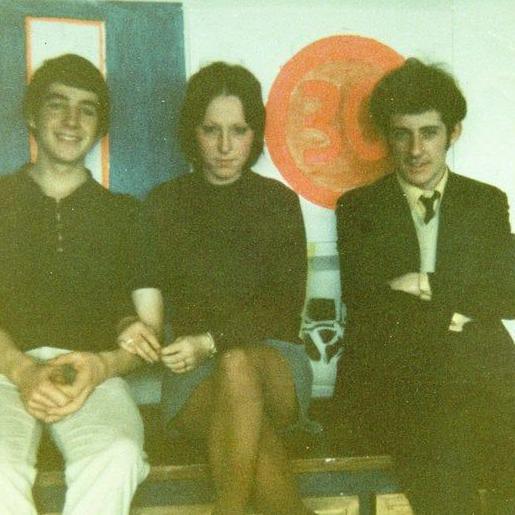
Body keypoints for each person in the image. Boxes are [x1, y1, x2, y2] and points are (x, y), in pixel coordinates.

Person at [124, 62, 315, 515]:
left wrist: (210, 342)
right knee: (246, 422)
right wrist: (139, 327)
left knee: (235, 363)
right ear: (193, 130)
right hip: (192, 377)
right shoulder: (164, 203)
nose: (226, 146)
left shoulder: (278, 202)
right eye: (211, 130)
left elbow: (283, 307)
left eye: (239, 130)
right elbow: (145, 300)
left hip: (275, 364)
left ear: (255, 134)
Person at [333, 58, 515, 514]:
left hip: (472, 379)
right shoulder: (359, 209)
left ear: (453, 133)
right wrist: (458, 308)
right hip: (393, 381)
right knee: (443, 421)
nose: (415, 149)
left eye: (429, 133)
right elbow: (369, 305)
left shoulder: (485, 202)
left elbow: (507, 292)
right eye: (402, 133)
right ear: (387, 136)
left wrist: (424, 283)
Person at [0, 54, 156, 514]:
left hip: (93, 374)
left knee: (117, 456)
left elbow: (149, 333)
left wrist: (101, 367)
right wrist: (22, 371)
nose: (71, 121)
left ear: (100, 125)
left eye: (87, 109)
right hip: (3, 371)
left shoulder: (127, 214)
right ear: (31, 114)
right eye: (57, 105)